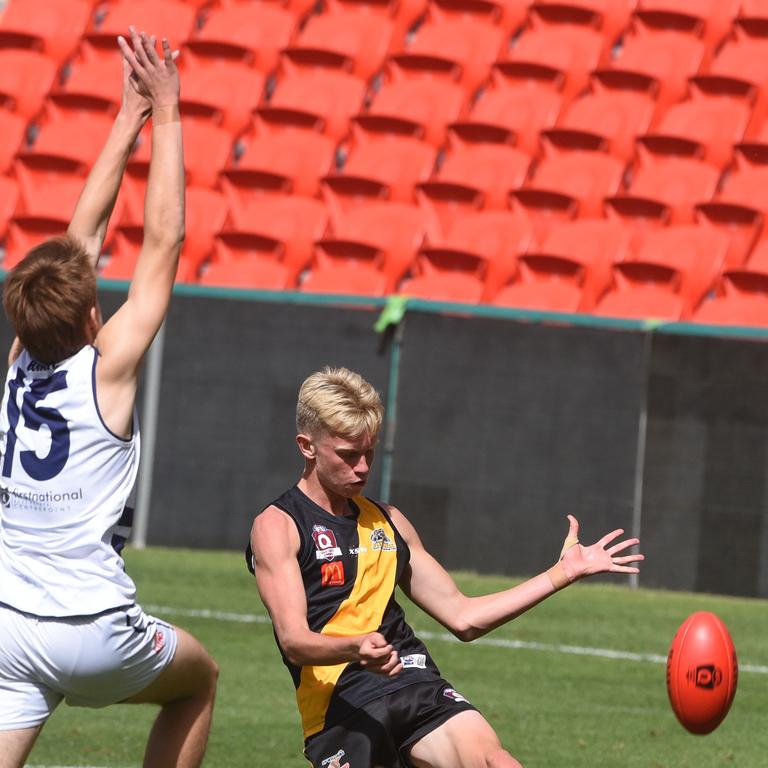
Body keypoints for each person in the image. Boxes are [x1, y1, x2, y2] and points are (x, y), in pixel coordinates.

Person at [0, 28, 218, 768]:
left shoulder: (19, 358)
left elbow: (75, 245)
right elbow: (164, 244)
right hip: (89, 624)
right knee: (200, 682)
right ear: (90, 316)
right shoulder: (106, 369)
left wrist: (126, 119)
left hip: (5, 620)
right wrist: (170, 114)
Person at [247, 366, 644, 768]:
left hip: (413, 681)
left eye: (369, 452)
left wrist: (562, 574)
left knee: (497, 762)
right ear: (307, 446)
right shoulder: (278, 525)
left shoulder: (389, 521)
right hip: (341, 708)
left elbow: (463, 616)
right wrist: (356, 646)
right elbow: (294, 641)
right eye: (349, 455)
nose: (364, 468)